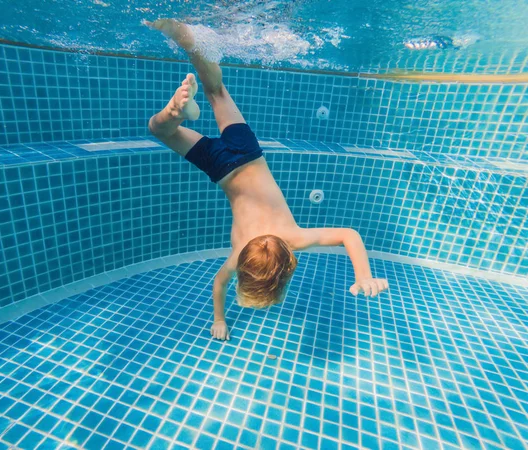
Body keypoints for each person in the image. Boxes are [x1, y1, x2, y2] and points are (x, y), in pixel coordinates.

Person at [146, 19, 389, 341]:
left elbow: (349, 235)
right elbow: (219, 284)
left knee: (217, 93)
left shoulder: (293, 238)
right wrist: (218, 319)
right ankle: (173, 114)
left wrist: (364, 276)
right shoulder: (239, 254)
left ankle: (192, 45)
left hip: (248, 155)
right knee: (160, 131)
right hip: (220, 168)